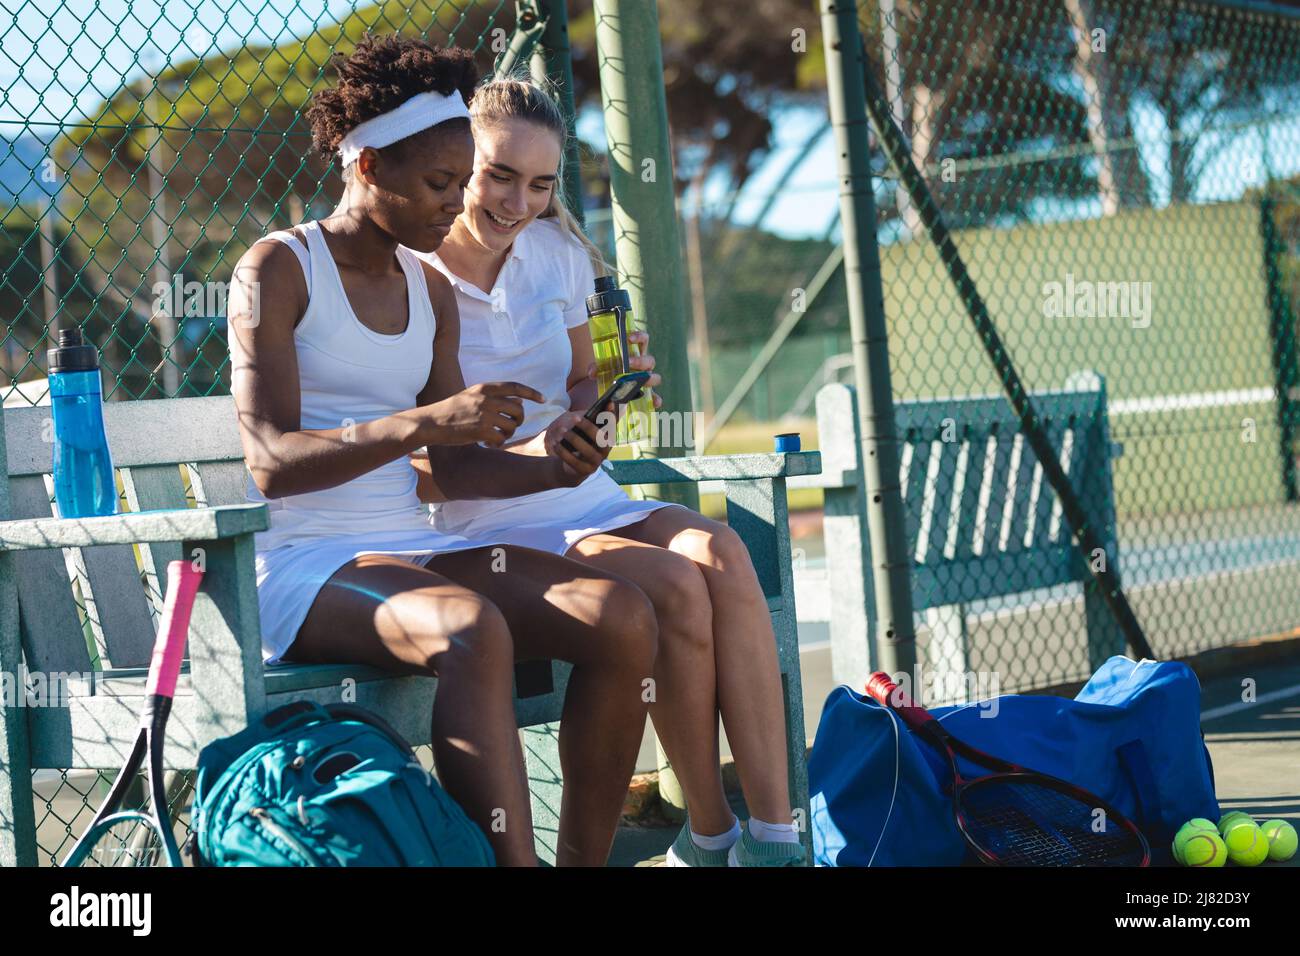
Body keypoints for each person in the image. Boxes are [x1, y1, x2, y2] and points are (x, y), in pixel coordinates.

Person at [225, 34, 659, 867]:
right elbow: (270, 460)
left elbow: (456, 466)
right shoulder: (278, 267)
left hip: (414, 546)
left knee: (621, 616)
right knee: (472, 629)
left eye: (461, 183)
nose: (452, 204)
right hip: (307, 564)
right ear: (365, 167)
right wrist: (425, 424)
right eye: (435, 183)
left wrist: (551, 461)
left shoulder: (430, 289)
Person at [404, 74, 803, 866]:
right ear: (457, 163)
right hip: (480, 523)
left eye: (541, 183)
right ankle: (713, 836)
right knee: (675, 581)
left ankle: (777, 839)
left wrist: (605, 405)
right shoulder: (409, 275)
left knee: (719, 553)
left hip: (582, 492)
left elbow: (587, 378)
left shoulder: (556, 251)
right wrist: (537, 458)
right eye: (499, 176)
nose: (519, 202)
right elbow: (419, 460)